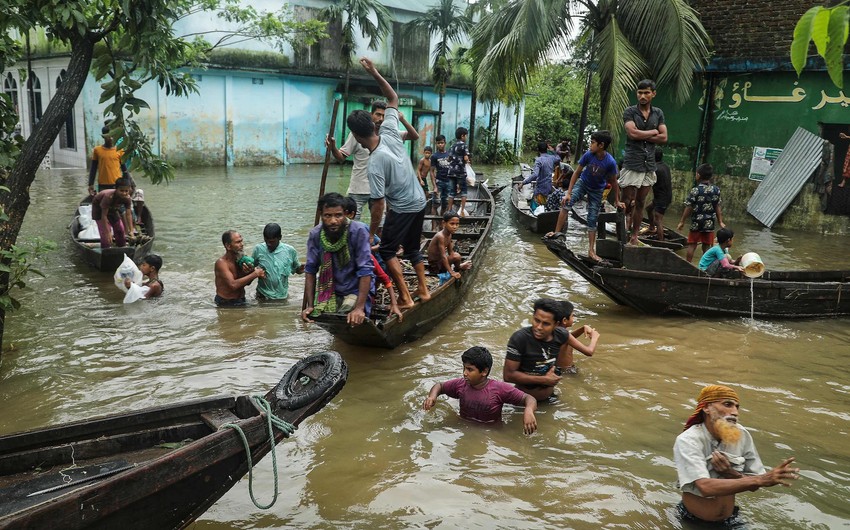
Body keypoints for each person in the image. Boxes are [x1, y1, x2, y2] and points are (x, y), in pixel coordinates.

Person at [347, 57, 430, 310]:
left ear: (358, 136)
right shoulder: (390, 131)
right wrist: (374, 71)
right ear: (373, 125)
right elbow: (393, 98)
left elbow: (379, 205)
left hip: (404, 208)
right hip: (420, 200)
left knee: (387, 251)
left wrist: (371, 234)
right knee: (414, 248)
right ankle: (424, 290)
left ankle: (405, 297)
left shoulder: (374, 164)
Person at [674, 384, 799, 527]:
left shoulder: (742, 435)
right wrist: (761, 480)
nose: (735, 412)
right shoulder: (688, 440)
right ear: (706, 408)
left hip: (731, 519)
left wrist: (731, 472)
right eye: (727, 404)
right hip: (693, 521)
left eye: (736, 407)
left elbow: (753, 485)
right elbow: (705, 487)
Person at [326, 101, 419, 221]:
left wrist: (402, 119)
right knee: (350, 222)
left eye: (384, 116)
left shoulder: (390, 134)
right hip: (358, 188)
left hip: (379, 189)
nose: (381, 119)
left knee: (380, 224)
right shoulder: (357, 133)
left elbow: (414, 136)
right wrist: (333, 147)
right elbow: (341, 157)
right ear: (371, 115)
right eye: (378, 114)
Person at [545, 130, 624, 264]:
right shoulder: (588, 155)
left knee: (592, 218)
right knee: (566, 203)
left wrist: (617, 200)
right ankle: (557, 233)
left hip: (597, 190)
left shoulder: (610, 162)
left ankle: (591, 251)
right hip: (583, 183)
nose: (590, 145)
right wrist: (568, 193)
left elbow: (614, 182)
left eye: (592, 143)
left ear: (601, 145)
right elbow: (576, 173)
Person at [423, 346, 538, 434]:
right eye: (464, 368)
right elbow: (440, 386)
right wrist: (432, 397)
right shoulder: (460, 385)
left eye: (469, 369)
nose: (464, 373)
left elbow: (530, 399)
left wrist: (528, 411)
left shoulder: (498, 389)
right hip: (464, 429)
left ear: (484, 372)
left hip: (491, 433)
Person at [301, 192, 375, 325]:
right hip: (332, 290)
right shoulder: (316, 234)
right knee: (325, 316)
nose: (333, 221)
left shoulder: (358, 231)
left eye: (338, 215)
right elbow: (310, 270)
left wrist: (359, 308)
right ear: (321, 216)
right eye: (328, 216)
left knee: (347, 316)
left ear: (345, 214)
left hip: (355, 288)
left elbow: (365, 270)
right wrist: (310, 305)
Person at [621, 79, 667, 245]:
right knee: (626, 201)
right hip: (632, 161)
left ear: (653, 94)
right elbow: (632, 134)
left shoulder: (658, 113)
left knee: (640, 202)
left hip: (649, 163)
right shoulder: (630, 112)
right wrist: (654, 131)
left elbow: (664, 137)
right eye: (640, 93)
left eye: (646, 93)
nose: (642, 96)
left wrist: (645, 133)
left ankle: (634, 236)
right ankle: (623, 231)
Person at [343, 197, 402, 321]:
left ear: (351, 214)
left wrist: (367, 251)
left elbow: (379, 247)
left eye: (341, 214)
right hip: (365, 260)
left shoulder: (361, 230)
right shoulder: (343, 233)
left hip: (376, 260)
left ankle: (368, 303)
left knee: (372, 280)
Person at [503, 298, 573, 402]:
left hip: (550, 398)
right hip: (522, 402)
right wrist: (544, 380)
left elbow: (561, 364)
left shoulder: (561, 336)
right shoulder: (520, 339)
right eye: (536, 320)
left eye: (546, 323)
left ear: (556, 324)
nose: (539, 327)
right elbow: (508, 376)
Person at [677, 163, 725, 263]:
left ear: (698, 175)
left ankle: (688, 265)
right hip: (709, 222)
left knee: (692, 244)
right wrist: (720, 221)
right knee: (707, 246)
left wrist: (682, 221)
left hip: (697, 222)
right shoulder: (716, 190)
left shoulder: (695, 190)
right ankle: (706, 267)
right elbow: (717, 206)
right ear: (711, 176)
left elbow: (689, 207)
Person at [251, 223, 304, 301]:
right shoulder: (258, 249)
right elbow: (251, 268)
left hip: (282, 296)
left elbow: (297, 269)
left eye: (272, 242)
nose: (268, 244)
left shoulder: (290, 251)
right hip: (262, 295)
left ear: (280, 238)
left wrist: (302, 269)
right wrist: (255, 271)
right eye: (266, 241)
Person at [215, 230, 265, 307]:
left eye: (241, 241)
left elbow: (247, 283)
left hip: (241, 300)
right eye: (238, 242)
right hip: (225, 303)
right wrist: (255, 274)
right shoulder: (221, 263)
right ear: (228, 246)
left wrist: (249, 272)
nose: (242, 244)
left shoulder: (240, 260)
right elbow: (233, 285)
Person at [426, 210, 472, 285]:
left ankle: (458, 267)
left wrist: (457, 262)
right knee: (456, 256)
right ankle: (456, 269)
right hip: (435, 267)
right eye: (452, 224)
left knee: (456, 256)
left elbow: (451, 252)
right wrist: (451, 272)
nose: (455, 227)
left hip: (441, 262)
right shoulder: (440, 236)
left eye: (457, 224)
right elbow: (444, 256)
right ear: (444, 223)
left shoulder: (449, 234)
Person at [555, 300, 599, 374]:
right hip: (566, 372)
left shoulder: (557, 331)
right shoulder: (563, 334)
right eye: (572, 316)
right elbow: (589, 352)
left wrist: (582, 328)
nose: (574, 318)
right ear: (565, 320)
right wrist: (594, 338)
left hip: (559, 370)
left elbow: (568, 339)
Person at [91, 177, 135, 249]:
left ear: (129, 190)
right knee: (105, 235)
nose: (124, 193)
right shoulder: (109, 197)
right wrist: (108, 232)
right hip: (99, 209)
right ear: (116, 189)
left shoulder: (127, 198)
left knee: (120, 229)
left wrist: (131, 230)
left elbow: (128, 214)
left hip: (113, 208)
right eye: (121, 190)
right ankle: (106, 249)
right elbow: (104, 216)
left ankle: (121, 247)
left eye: (126, 191)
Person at [88, 125, 132, 195]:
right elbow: (93, 168)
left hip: (117, 185)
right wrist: (91, 184)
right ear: (103, 136)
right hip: (103, 184)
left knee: (117, 204)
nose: (111, 139)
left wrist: (128, 184)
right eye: (108, 136)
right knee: (104, 203)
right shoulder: (97, 150)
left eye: (113, 136)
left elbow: (124, 169)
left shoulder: (119, 150)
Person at [519, 141, 559, 211]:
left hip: (540, 188)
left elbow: (535, 175)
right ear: (547, 149)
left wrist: (523, 183)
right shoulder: (552, 158)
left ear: (538, 150)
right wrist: (553, 150)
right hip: (548, 187)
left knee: (535, 208)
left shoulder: (539, 160)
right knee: (544, 206)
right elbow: (558, 158)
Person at [643, 149, 672, 241]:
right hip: (664, 196)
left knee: (658, 220)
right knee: (648, 208)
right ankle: (651, 228)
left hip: (662, 198)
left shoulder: (655, 169)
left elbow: (648, 184)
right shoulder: (665, 166)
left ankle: (661, 241)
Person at [446, 127, 471, 216]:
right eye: (466, 136)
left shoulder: (452, 145)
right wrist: (467, 161)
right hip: (460, 172)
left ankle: (449, 211)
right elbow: (466, 158)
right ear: (462, 136)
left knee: (451, 192)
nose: (466, 137)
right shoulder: (464, 145)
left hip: (451, 172)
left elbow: (448, 159)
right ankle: (462, 211)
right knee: (464, 192)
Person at [430, 134, 452, 215]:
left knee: (445, 205)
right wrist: (434, 186)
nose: (440, 145)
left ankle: (441, 223)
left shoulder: (450, 154)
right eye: (438, 143)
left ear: (445, 143)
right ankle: (433, 227)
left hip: (449, 182)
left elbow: (453, 169)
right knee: (435, 204)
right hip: (439, 182)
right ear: (436, 144)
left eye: (442, 143)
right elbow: (431, 171)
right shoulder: (434, 156)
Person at [418, 145, 437, 213]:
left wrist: (435, 177)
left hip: (425, 178)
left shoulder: (430, 162)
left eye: (428, 153)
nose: (427, 154)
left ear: (431, 153)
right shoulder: (422, 160)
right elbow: (418, 170)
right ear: (424, 153)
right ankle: (420, 206)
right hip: (419, 178)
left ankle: (423, 206)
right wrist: (420, 180)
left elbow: (431, 172)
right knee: (420, 192)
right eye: (426, 153)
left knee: (427, 193)